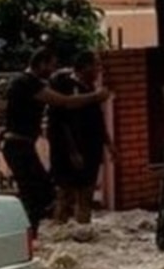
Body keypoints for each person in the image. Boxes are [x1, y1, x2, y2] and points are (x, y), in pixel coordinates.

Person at [2, 47, 112, 235]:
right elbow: (63, 102)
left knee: (41, 192)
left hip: (23, 145)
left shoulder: (29, 82)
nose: (53, 70)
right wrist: (96, 97)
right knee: (39, 194)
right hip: (18, 146)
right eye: (51, 65)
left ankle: (32, 236)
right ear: (41, 63)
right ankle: (25, 235)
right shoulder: (27, 83)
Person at [47, 51, 115, 224]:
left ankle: (84, 228)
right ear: (85, 67)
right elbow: (61, 122)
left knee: (87, 192)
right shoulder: (65, 85)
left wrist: (109, 144)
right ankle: (60, 229)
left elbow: (98, 120)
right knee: (66, 194)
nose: (99, 70)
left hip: (91, 148)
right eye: (96, 65)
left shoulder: (90, 88)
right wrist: (72, 151)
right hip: (70, 150)